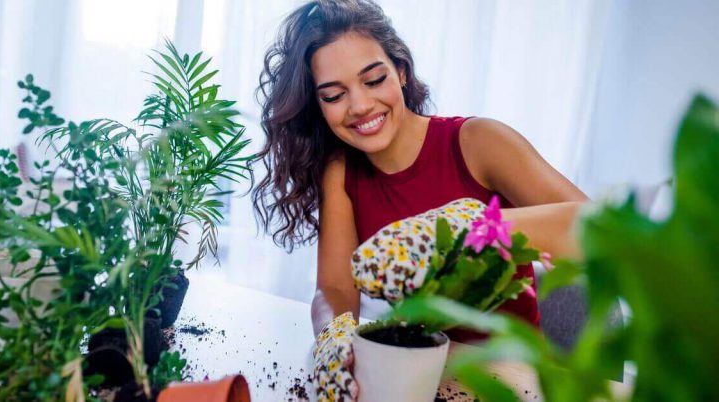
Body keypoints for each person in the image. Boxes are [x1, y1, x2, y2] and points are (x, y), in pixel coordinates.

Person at [252, 0, 588, 399]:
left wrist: (468, 230)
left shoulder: (479, 142)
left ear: (401, 72)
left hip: (508, 378)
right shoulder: (341, 170)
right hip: (417, 374)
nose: (360, 106)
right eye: (334, 95)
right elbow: (336, 288)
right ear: (318, 107)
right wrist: (333, 336)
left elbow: (597, 227)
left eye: (374, 80)